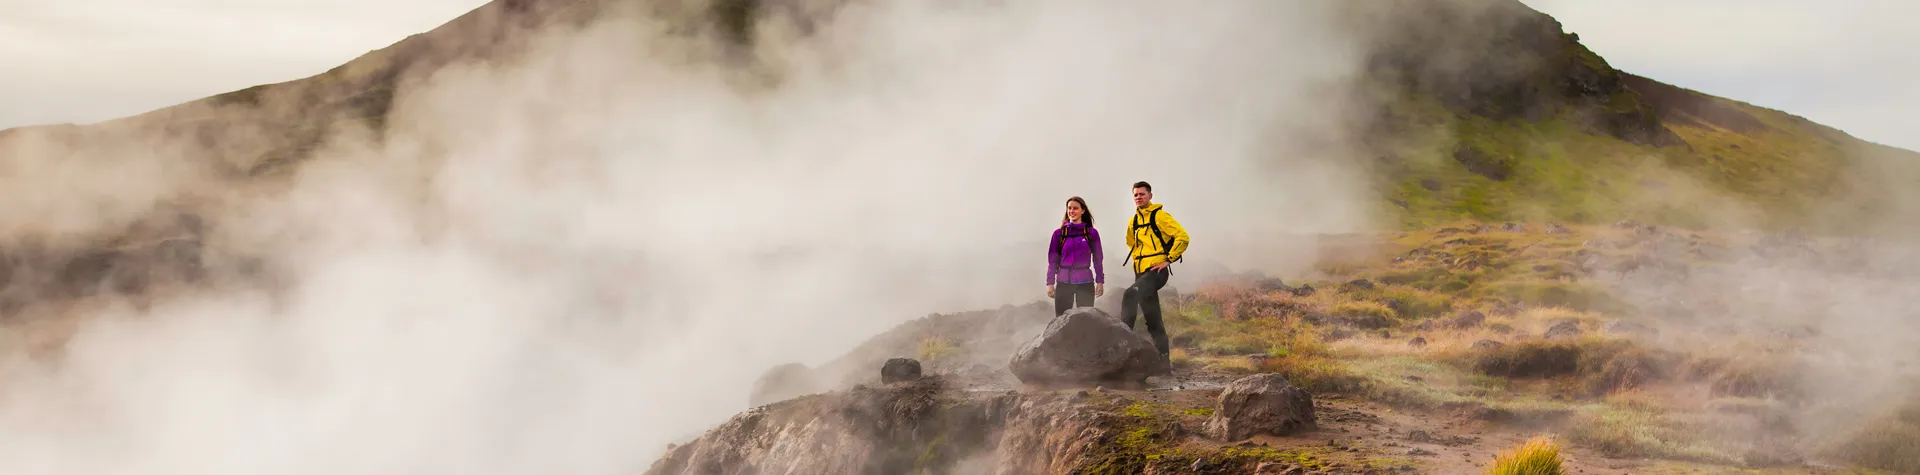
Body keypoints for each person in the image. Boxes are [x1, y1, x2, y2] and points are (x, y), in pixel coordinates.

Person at [1121, 181, 1189, 374]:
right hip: (1140, 271)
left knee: (1130, 294)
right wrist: (1139, 261)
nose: (1139, 197)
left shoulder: (1160, 216)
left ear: (1150, 196)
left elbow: (1183, 237)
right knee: (1153, 319)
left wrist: (1167, 260)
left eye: (1142, 194)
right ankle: (1164, 365)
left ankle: (1120, 343)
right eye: (1135, 194)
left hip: (1157, 272)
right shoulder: (1133, 221)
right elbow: (1131, 243)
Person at [1047, 196, 1105, 316]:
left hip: (1085, 282)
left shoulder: (1091, 233)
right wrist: (1050, 283)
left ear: (1083, 210)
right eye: (1069, 208)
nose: (1072, 211)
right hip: (1063, 282)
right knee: (1061, 321)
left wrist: (1100, 281)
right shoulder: (1059, 234)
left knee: (1086, 320)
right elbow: (1053, 260)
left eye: (1075, 208)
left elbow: (1098, 259)